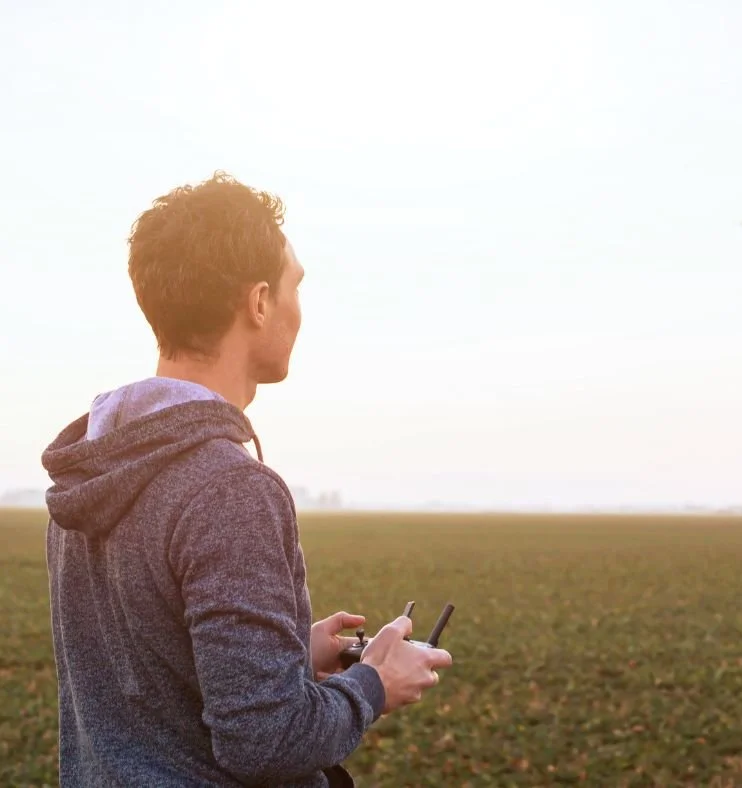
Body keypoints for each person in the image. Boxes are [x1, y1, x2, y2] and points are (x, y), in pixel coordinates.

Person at [41, 171, 452, 787]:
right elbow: (266, 740)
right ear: (259, 303)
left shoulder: (92, 466)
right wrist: (374, 682)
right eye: (295, 287)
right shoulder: (229, 488)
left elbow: (142, 685)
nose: (298, 310)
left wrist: (284, 660)